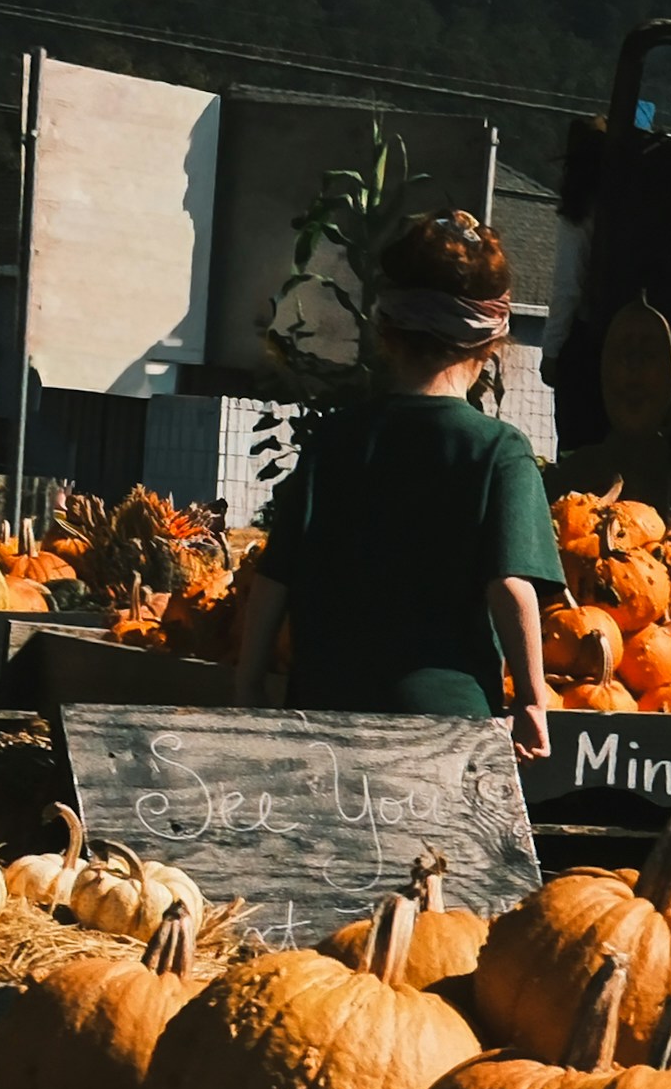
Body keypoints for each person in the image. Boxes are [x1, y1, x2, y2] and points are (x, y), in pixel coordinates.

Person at [235, 210, 563, 759]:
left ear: (386, 332)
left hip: (325, 714)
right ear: (490, 344)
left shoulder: (334, 441)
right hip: (444, 724)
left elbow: (275, 577)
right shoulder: (496, 451)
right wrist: (531, 702)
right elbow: (509, 586)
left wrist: (247, 684)